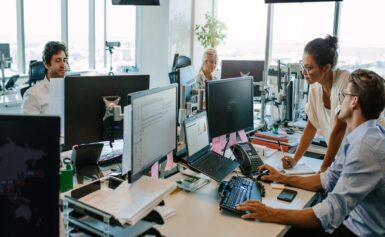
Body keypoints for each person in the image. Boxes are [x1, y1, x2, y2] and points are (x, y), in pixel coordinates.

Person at [237, 69, 385, 236]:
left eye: (344, 96)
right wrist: (281, 178)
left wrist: (271, 213)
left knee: (278, 231)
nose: (340, 101)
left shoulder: (364, 148)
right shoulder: (364, 135)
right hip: (353, 222)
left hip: (359, 232)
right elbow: (328, 179)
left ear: (354, 102)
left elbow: (330, 211)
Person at [280, 35, 349, 172]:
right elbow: (311, 125)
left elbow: (339, 130)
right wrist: (295, 159)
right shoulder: (315, 87)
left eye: (309, 68)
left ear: (326, 68)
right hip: (344, 160)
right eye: (303, 66)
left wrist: (324, 169)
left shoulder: (344, 83)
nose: (303, 72)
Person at [22, 41, 68, 115]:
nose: (63, 65)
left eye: (64, 60)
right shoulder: (33, 95)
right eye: (58, 61)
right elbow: (30, 126)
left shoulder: (70, 89)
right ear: (47, 65)